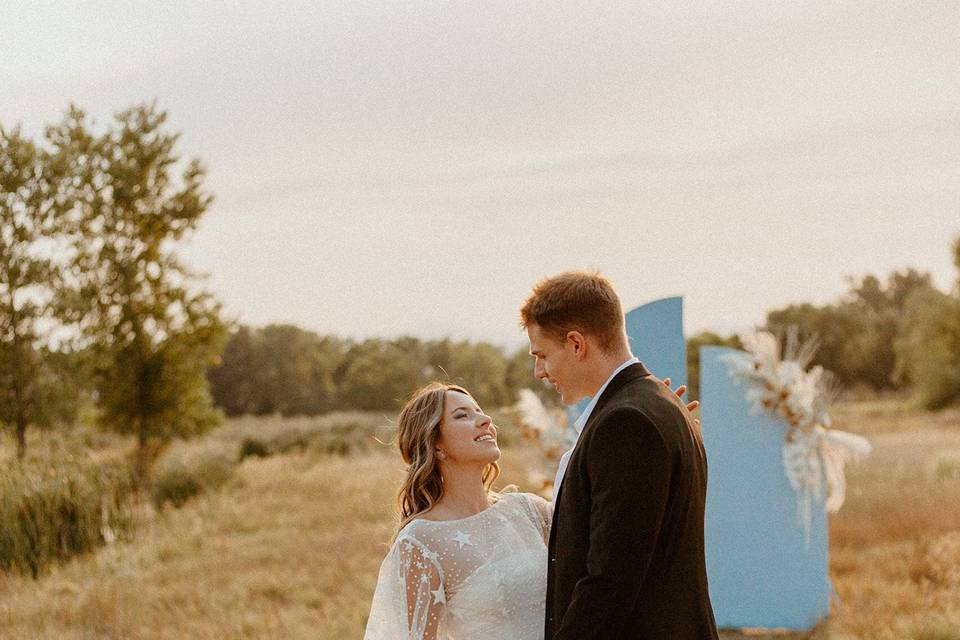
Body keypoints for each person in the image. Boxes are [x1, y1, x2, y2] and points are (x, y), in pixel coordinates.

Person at [364, 377, 697, 639]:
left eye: (480, 411)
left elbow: (611, 541)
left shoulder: (528, 511)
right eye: (463, 415)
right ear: (435, 444)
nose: (485, 420)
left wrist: (652, 433)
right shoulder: (421, 542)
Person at [521, 271, 719, 639]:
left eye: (542, 355)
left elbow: (610, 580)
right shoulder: (659, 405)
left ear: (577, 344)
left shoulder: (625, 423)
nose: (540, 372)